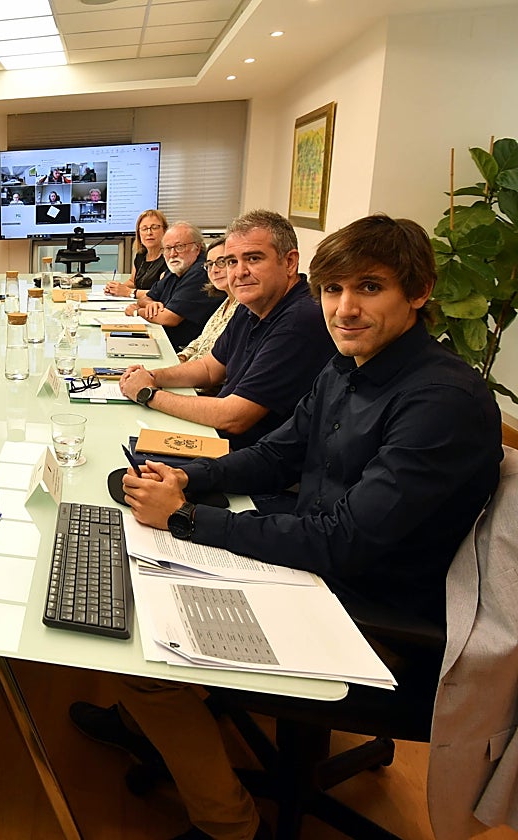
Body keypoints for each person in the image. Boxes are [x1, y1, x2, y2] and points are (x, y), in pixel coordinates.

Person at [73, 214, 501, 840]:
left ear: (419, 291)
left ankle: (229, 827)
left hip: (375, 613)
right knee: (140, 563)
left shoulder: (439, 401)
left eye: (369, 288)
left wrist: (190, 518)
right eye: (333, 290)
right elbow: (278, 453)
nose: (345, 309)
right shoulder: (350, 365)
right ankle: (153, 731)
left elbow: (342, 543)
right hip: (324, 558)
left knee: (141, 652)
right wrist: (190, 480)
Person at [117, 209, 334, 450]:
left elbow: (234, 417)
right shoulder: (251, 304)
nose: (239, 273)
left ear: (290, 262)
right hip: (218, 437)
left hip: (245, 458)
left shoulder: (300, 319)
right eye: (232, 261)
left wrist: (149, 394)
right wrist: (153, 376)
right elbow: (210, 369)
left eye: (253, 259)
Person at [121, 222, 222, 352]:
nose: (173, 254)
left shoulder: (201, 271)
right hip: (162, 340)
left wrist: (136, 311)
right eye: (168, 248)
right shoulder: (176, 268)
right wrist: (152, 304)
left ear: (197, 248)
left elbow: (169, 319)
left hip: (182, 350)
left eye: (179, 247)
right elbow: (145, 298)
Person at [177, 238, 240, 367]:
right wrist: (182, 357)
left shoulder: (244, 308)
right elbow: (202, 340)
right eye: (210, 264)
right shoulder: (226, 301)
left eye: (221, 262)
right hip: (189, 370)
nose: (214, 270)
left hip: (204, 382)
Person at [107, 209, 168, 295]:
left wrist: (129, 292)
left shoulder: (169, 258)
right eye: (144, 229)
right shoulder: (141, 255)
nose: (149, 232)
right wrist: (116, 288)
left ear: (164, 230)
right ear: (138, 233)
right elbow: (133, 282)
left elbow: (161, 293)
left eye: (154, 228)